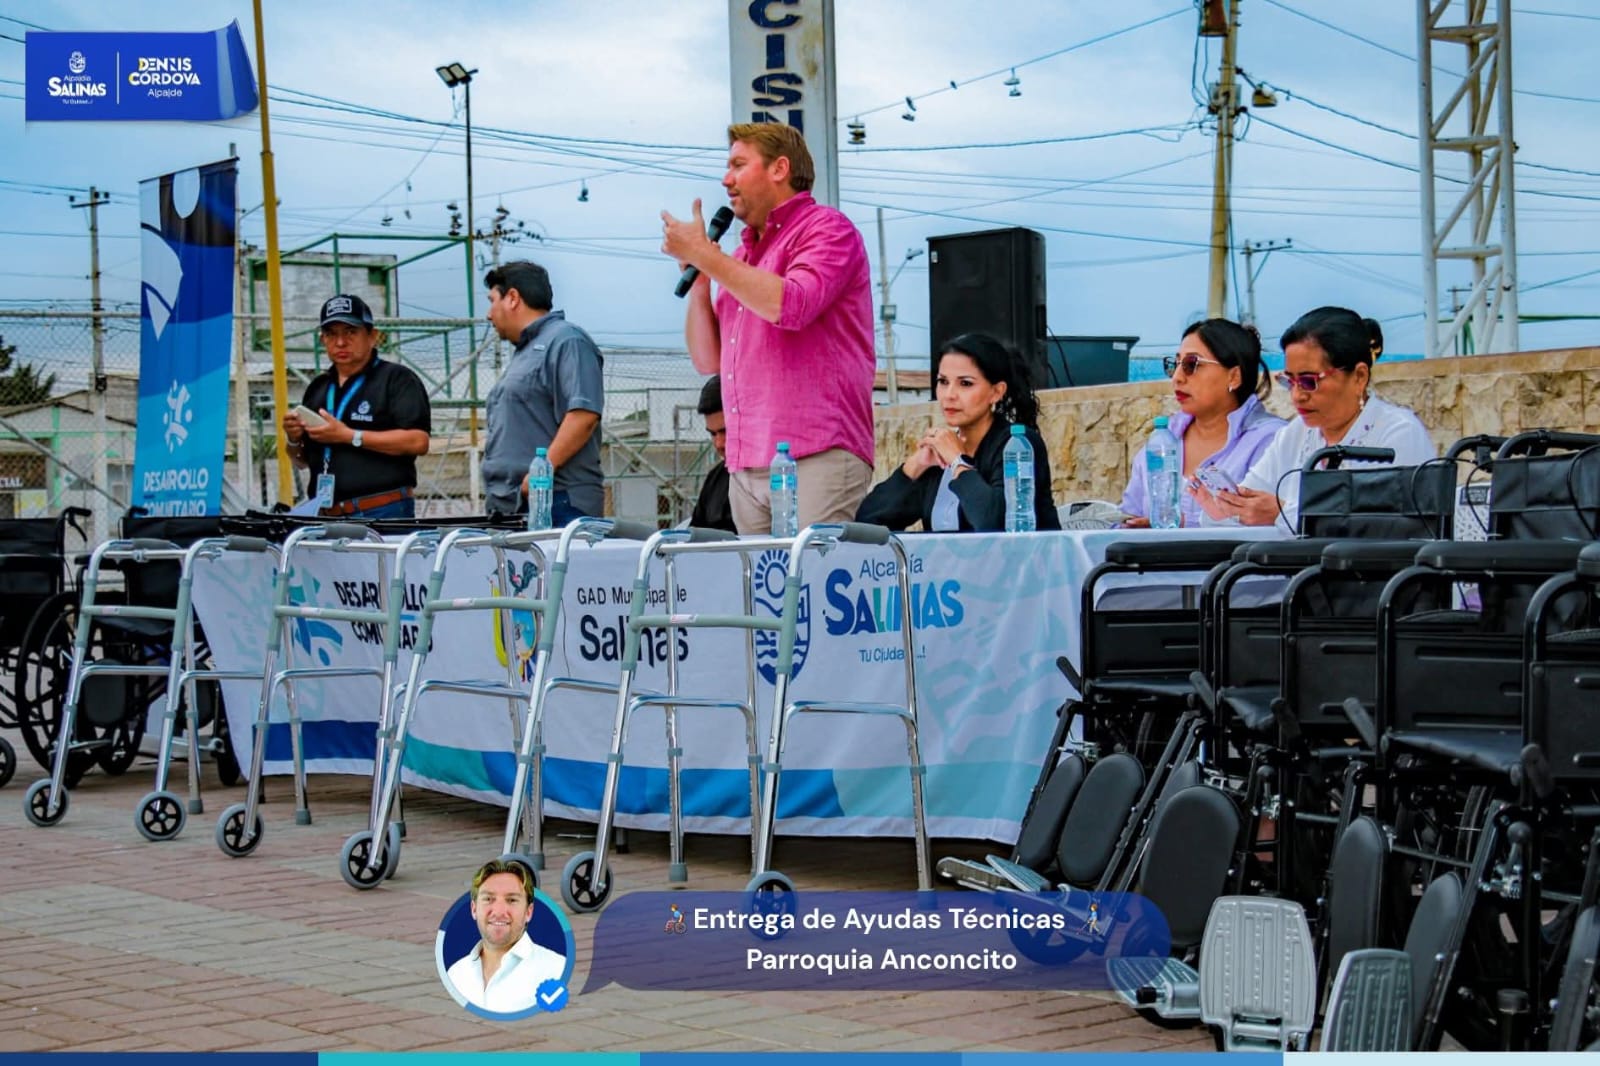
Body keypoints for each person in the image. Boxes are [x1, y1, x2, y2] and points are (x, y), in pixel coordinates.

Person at [661, 122, 875, 535]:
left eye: (739, 165)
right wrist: (702, 280)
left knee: (809, 575)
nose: (726, 179)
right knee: (761, 579)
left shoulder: (828, 229)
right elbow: (708, 360)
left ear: (779, 168)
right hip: (747, 463)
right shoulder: (741, 258)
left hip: (816, 453)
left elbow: (791, 305)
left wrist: (708, 256)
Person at [1195, 306, 1436, 530]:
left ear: (1359, 377)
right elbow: (1252, 499)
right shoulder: (1294, 435)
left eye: (1309, 381)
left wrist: (1281, 514)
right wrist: (1226, 507)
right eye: (1290, 381)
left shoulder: (1398, 433)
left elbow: (1380, 528)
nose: (1297, 395)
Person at [856, 332, 1060, 532]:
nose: (949, 395)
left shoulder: (1017, 445)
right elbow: (868, 523)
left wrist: (958, 462)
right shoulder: (940, 454)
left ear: (996, 392)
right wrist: (915, 466)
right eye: (943, 382)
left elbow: (997, 525)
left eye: (965, 383)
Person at [1120, 318, 1284, 527]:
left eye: (1191, 365)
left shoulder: (1270, 441)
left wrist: (1184, 528)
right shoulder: (1162, 441)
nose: (1177, 378)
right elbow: (1126, 516)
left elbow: (1269, 526)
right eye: (1174, 365)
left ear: (1234, 377)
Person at [283, 294, 431, 519]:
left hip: (381, 509)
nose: (340, 342)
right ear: (322, 339)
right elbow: (302, 461)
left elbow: (418, 442)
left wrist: (349, 436)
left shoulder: (396, 379)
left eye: (350, 332)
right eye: (331, 334)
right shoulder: (318, 387)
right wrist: (293, 439)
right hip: (324, 512)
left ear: (372, 336)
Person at [482, 260, 605, 523]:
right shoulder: (526, 352)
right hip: (518, 504)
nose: (489, 314)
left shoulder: (567, 341)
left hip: (558, 501)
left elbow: (583, 415)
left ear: (512, 298)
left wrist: (539, 474)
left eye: (492, 301)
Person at [445, 858, 567, 1014]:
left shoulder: (555, 969)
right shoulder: (456, 973)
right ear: (474, 909)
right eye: (488, 899)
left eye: (511, 900)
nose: (499, 911)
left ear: (528, 912)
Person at [689, 375, 736, 532]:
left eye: (725, 431)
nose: (719, 444)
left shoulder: (777, 475)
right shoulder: (715, 478)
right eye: (713, 434)